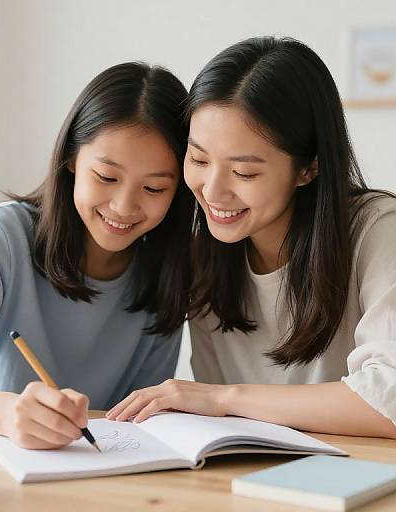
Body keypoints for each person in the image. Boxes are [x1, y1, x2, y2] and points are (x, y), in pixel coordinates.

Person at [107, 37, 396, 439]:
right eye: (199, 159)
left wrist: (225, 398)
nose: (212, 191)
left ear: (307, 169)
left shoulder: (378, 230)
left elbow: (390, 400)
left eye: (244, 173)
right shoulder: (204, 253)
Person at [0, 62, 194, 449]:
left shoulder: (169, 269)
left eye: (153, 188)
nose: (123, 206)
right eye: (106, 177)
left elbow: (142, 418)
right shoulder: (1, 236)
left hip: (103, 471)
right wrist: (8, 414)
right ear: (71, 159)